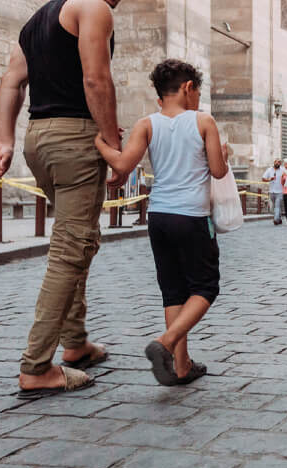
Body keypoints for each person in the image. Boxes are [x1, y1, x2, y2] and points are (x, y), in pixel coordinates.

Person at [0, 0, 141, 398]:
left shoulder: (37, 20)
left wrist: (5, 140)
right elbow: (97, 79)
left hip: (40, 139)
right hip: (75, 139)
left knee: (77, 238)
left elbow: (12, 81)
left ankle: (76, 342)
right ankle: (36, 366)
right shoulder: (93, 9)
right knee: (71, 247)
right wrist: (114, 146)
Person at [95, 59, 225, 387]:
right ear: (188, 88)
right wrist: (224, 153)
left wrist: (99, 143)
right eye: (198, 93)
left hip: (159, 217)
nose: (198, 99)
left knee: (173, 289)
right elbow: (218, 170)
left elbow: (123, 164)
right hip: (192, 216)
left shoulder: (146, 124)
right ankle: (164, 344)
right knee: (205, 287)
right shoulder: (203, 121)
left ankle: (181, 366)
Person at [263, 158, 285, 225]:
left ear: (280, 164)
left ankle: (275, 220)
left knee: (277, 206)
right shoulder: (269, 170)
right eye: (276, 162)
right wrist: (270, 179)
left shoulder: (283, 170)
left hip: (280, 191)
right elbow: (263, 178)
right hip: (271, 192)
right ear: (274, 162)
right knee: (276, 206)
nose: (277, 163)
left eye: (279, 162)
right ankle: (279, 219)